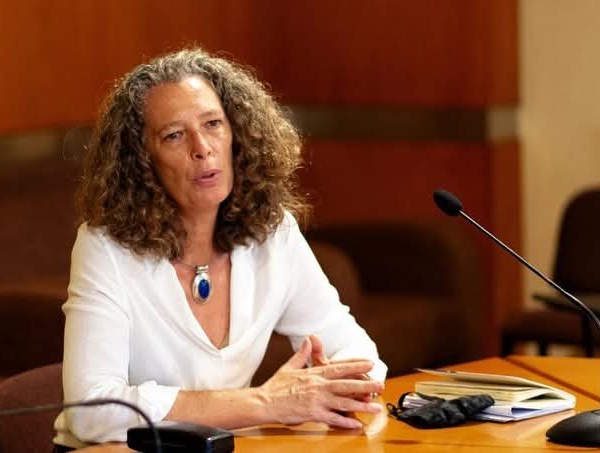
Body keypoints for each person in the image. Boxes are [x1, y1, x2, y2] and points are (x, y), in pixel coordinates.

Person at [53, 48, 387, 450]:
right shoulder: (105, 247)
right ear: (141, 161)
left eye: (213, 124)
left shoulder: (271, 232)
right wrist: (265, 403)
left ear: (237, 134)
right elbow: (91, 411)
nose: (202, 147)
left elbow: (357, 351)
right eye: (174, 135)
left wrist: (332, 387)